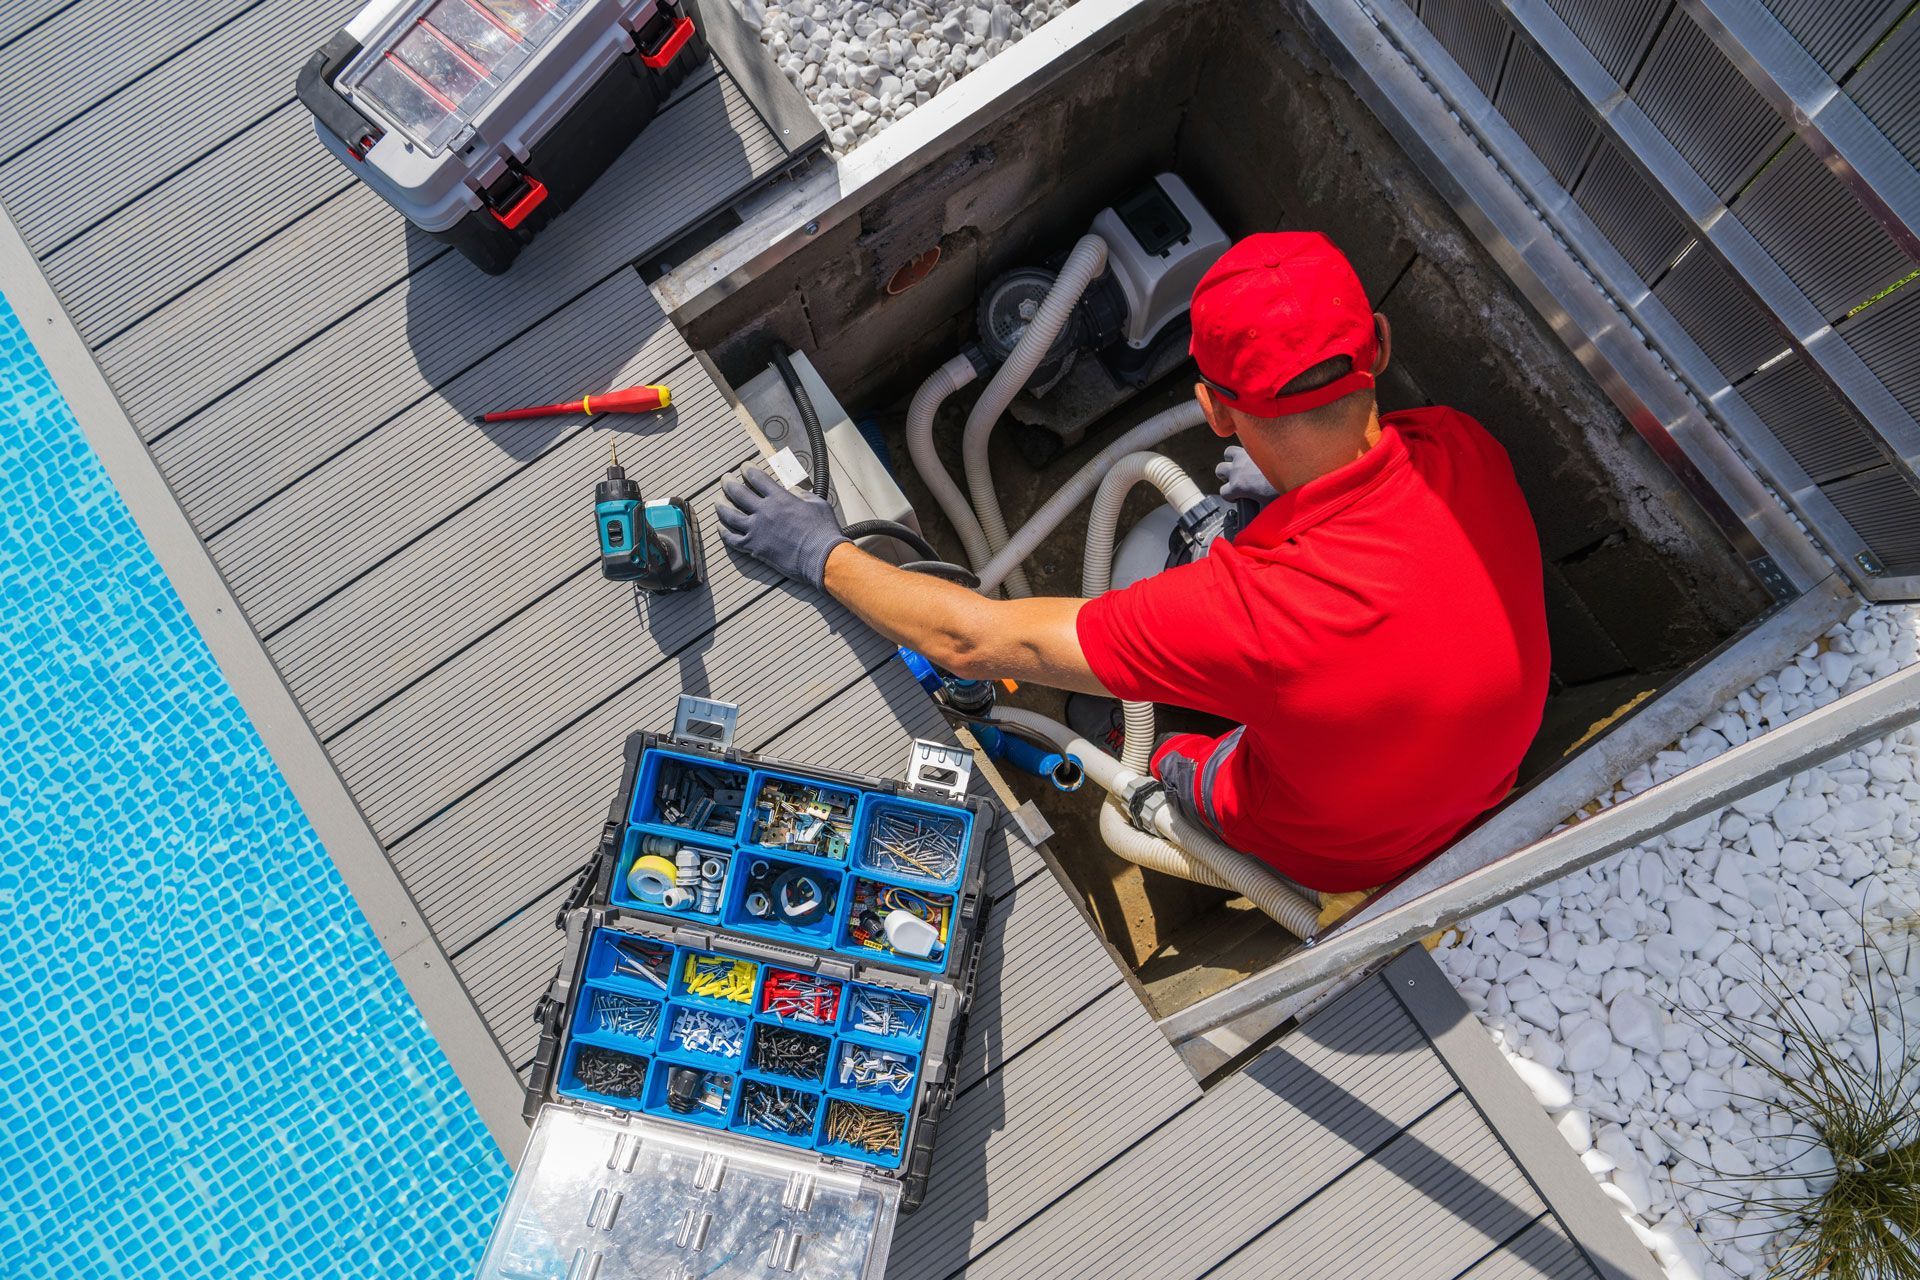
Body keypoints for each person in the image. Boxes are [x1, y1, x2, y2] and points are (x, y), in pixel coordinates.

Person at [716, 231, 1549, 892]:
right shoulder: (1459, 447)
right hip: (1482, 782)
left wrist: (819, 551)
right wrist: (1281, 490)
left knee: (1176, 745)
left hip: (1338, 852)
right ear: (1379, 345)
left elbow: (970, 643)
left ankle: (1118, 734)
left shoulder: (1250, 615)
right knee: (1213, 544)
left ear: (1215, 411)